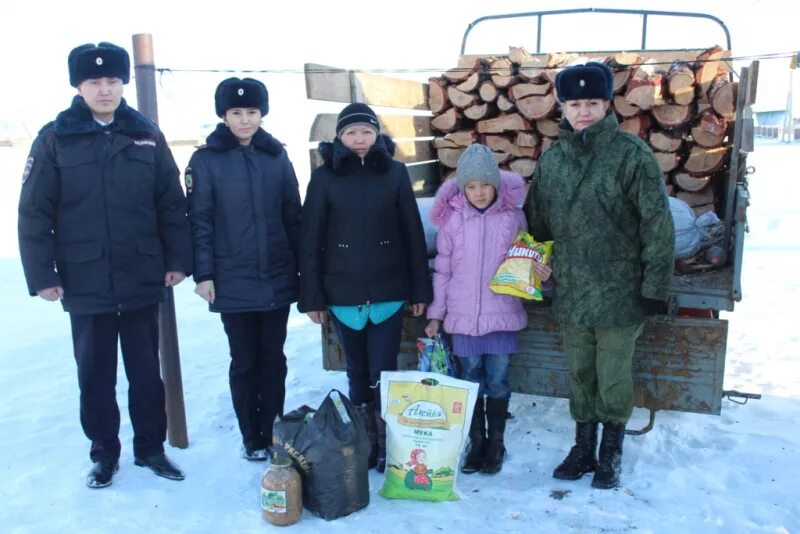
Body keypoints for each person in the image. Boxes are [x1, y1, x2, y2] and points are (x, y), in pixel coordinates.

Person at [17, 42, 192, 488]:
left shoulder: (146, 133)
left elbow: (170, 202)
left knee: (145, 373)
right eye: (95, 82)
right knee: (95, 375)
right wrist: (43, 275)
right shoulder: (56, 137)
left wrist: (176, 259)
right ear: (79, 86)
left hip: (141, 273)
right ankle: (104, 453)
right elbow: (34, 210)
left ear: (122, 84)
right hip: (84, 276)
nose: (105, 89)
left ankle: (151, 449)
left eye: (112, 80)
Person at [524, 62, 675, 489]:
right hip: (571, 292)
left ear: (608, 104)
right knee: (580, 374)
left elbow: (656, 225)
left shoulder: (631, 155)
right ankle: (582, 447)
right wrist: (535, 267)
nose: (583, 111)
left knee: (612, 375)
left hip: (620, 293)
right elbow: (538, 225)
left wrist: (653, 288)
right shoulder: (552, 160)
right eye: (575, 103)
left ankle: (610, 451)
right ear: (562, 106)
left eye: (592, 102)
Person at [299, 102, 432, 472]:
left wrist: (420, 291)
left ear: (377, 136)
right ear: (339, 137)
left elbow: (412, 233)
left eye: (367, 132)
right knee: (356, 370)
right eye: (351, 133)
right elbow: (310, 240)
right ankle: (364, 439)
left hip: (388, 291)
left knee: (383, 370)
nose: (360, 140)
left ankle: (386, 436)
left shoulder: (395, 173)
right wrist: (312, 297)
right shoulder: (325, 178)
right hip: (343, 294)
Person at [186, 77, 302, 461]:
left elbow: (292, 213)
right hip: (232, 279)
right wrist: (204, 274)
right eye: (236, 112)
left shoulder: (276, 156)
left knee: (274, 358)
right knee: (245, 360)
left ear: (262, 114)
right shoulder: (206, 160)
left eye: (252, 112)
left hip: (277, 274)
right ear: (224, 115)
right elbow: (199, 219)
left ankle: (273, 428)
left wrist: (302, 267)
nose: (245, 120)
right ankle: (251, 434)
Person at [424, 143, 551, 474]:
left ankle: (496, 443)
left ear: (495, 185)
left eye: (485, 185)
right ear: (462, 188)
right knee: (470, 380)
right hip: (462, 320)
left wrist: (540, 274)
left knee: (497, 380)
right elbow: (443, 272)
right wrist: (436, 315)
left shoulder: (513, 217)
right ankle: (476, 443)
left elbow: (525, 262)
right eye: (471, 186)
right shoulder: (452, 221)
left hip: (502, 316)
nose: (479, 193)